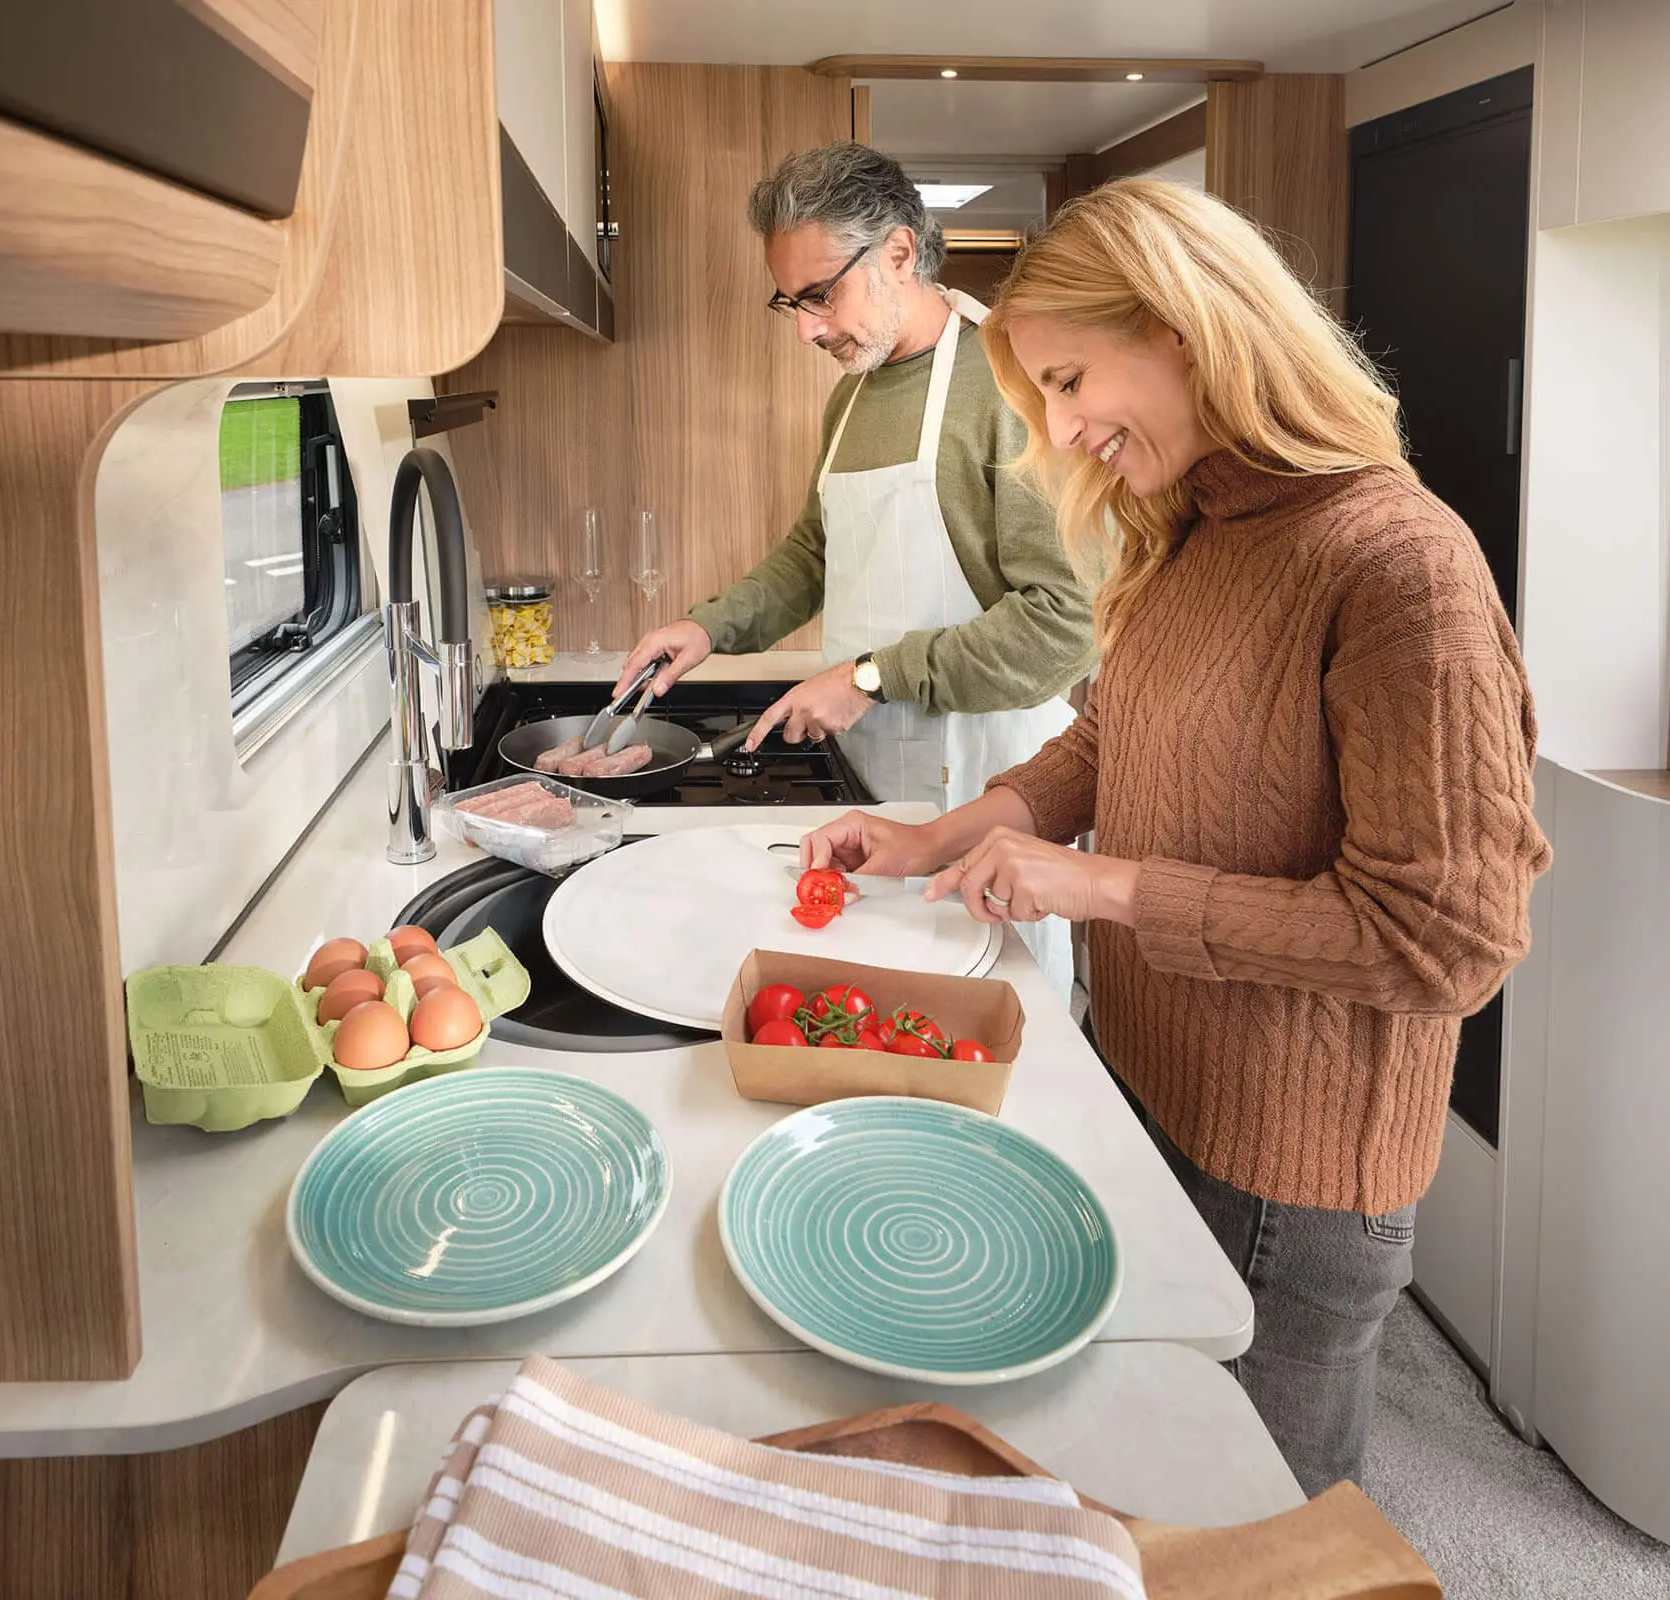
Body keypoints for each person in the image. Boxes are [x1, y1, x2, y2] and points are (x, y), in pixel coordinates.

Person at [797, 177, 1551, 1495]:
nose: (1070, 428)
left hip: (1293, 1174)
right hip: (1150, 1089)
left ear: (1190, 329)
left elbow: (1448, 942)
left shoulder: (1395, 564)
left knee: (1251, 1542)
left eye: (1077, 381)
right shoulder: (1191, 531)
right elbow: (1107, 742)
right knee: (1144, 1504)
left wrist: (1100, 887)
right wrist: (938, 839)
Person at [612, 142, 1095, 990]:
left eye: (819, 295)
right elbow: (815, 552)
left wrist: (869, 677)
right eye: (788, 301)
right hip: (872, 776)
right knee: (869, 1008)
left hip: (984, 788)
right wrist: (707, 626)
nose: (805, 329)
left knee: (984, 1027)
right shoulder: (854, 392)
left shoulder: (1012, 387)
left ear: (900, 254)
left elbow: (1062, 624)